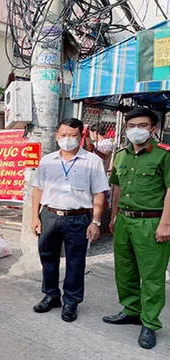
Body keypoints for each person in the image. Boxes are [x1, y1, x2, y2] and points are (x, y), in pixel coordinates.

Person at [103, 107, 170, 350]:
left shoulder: (164, 155)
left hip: (152, 222)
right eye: (131, 126)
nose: (136, 130)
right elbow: (116, 188)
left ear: (153, 129)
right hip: (124, 221)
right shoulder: (121, 155)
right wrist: (113, 217)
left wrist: (166, 223)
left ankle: (150, 323)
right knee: (125, 269)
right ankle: (131, 310)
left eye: (142, 126)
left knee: (152, 275)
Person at [31, 118, 109, 323]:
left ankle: (71, 302)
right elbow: (38, 189)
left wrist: (96, 221)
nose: (67, 140)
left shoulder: (92, 161)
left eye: (73, 136)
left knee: (75, 262)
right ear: (56, 136)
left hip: (78, 218)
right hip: (49, 215)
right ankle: (51, 295)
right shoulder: (47, 161)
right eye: (63, 135)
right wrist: (34, 218)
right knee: (48, 257)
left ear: (81, 137)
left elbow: (99, 193)